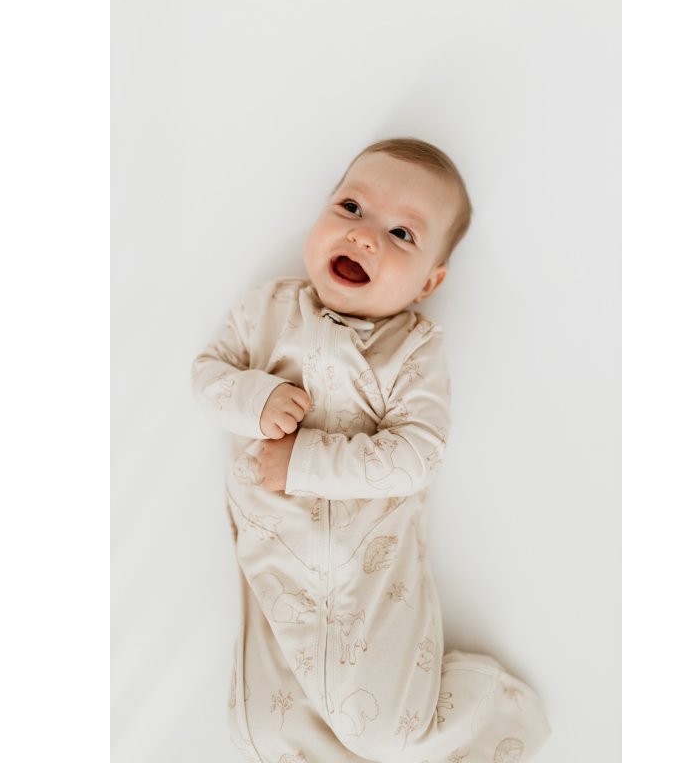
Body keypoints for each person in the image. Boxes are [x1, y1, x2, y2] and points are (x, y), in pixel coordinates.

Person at [192, 138, 551, 762]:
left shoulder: (411, 350)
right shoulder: (268, 312)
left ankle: (490, 708)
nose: (364, 236)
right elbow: (207, 375)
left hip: (373, 582)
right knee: (258, 731)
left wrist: (305, 462)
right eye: (351, 207)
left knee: (385, 730)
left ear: (429, 282)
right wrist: (254, 397)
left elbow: (417, 454)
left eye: (401, 234)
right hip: (275, 571)